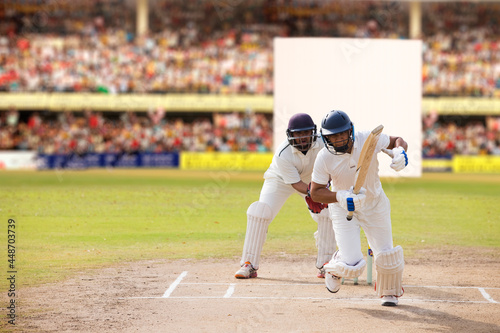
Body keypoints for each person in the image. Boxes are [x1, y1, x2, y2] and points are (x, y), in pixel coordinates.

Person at [310, 110, 408, 307]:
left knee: (386, 255)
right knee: (353, 264)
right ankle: (337, 262)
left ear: (350, 131)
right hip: (343, 207)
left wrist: (400, 152)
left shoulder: (367, 139)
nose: (338, 139)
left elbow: (397, 140)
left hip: (374, 204)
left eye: (341, 134)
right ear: (326, 137)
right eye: (333, 136)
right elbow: (315, 192)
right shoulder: (324, 157)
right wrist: (339, 196)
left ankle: (389, 292)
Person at [235, 113, 337, 279]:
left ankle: (326, 263)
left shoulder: (324, 144)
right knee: (260, 212)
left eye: (305, 132)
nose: (302, 137)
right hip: (280, 180)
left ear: (313, 131)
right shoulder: (283, 154)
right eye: (298, 133)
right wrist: (313, 194)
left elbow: (332, 169)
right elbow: (296, 184)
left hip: (313, 180)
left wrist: (321, 190)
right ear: (291, 134)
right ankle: (249, 264)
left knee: (328, 212)